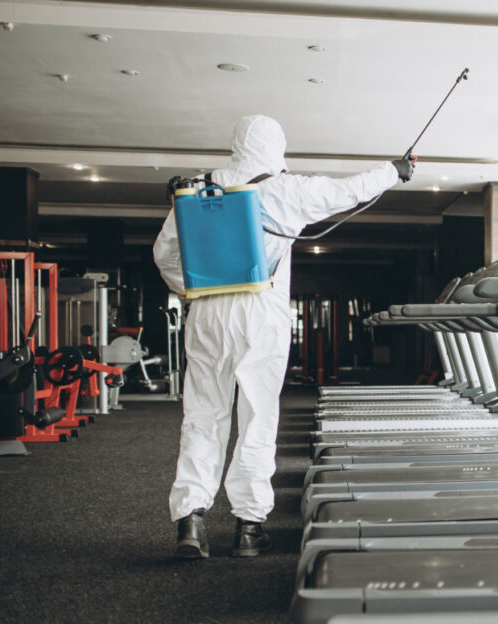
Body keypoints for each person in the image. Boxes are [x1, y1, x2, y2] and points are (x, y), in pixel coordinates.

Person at [153, 114, 413, 558]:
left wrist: (191, 286)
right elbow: (348, 191)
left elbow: (164, 253)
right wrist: (394, 170)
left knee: (203, 413)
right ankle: (248, 527)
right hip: (261, 311)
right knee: (257, 415)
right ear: (277, 147)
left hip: (208, 312)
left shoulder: (196, 188)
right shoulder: (284, 189)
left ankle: (190, 521)